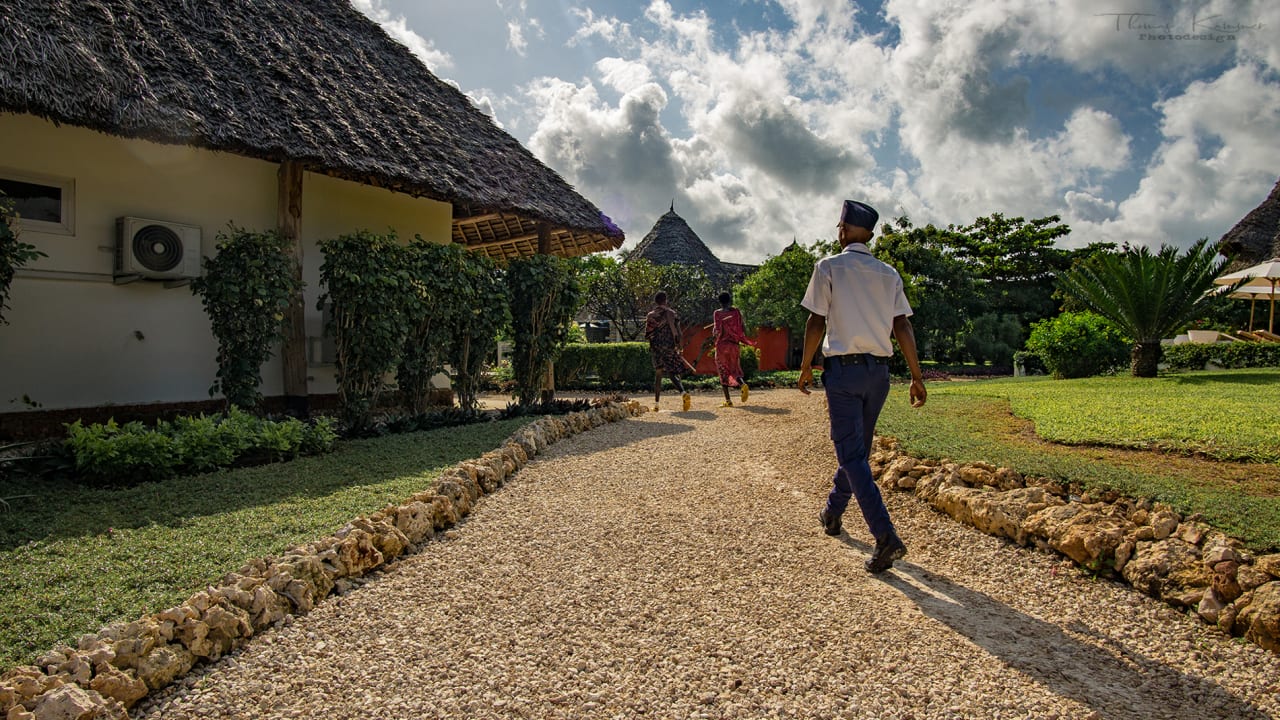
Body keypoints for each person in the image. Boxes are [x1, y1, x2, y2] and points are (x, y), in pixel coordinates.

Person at [798, 199, 927, 574]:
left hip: (844, 373)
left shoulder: (829, 267)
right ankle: (832, 513)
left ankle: (885, 536)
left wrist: (805, 366)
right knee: (857, 454)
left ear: (854, 232)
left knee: (851, 455)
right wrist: (916, 377)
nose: (839, 230)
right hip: (879, 375)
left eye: (842, 225)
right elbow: (902, 325)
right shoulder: (888, 274)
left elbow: (815, 321)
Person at [645, 291, 695, 412]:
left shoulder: (651, 315)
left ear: (655, 302)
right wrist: (679, 346)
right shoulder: (672, 314)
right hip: (670, 347)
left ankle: (656, 405)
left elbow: (648, 333)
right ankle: (683, 393)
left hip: (657, 348)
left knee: (658, 375)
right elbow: (679, 333)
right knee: (672, 372)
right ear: (666, 300)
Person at [712, 292, 757, 407]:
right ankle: (742, 385)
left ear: (720, 301)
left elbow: (717, 331)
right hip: (734, 345)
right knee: (735, 369)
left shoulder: (717, 313)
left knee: (723, 371)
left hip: (722, 346)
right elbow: (741, 327)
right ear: (729, 300)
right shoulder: (736, 312)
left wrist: (714, 331)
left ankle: (728, 401)